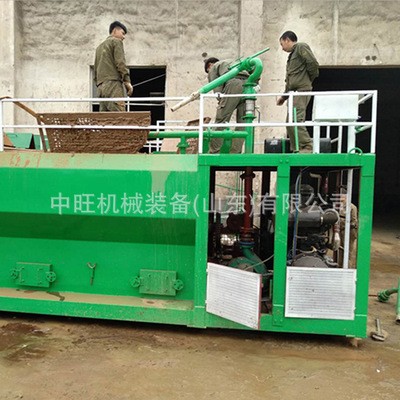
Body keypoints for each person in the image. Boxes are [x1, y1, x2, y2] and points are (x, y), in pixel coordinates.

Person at [276, 31, 319, 153]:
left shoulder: (301, 47)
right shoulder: (291, 56)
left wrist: (307, 80)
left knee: (296, 119)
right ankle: (297, 148)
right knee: (290, 122)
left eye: (282, 44)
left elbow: (313, 64)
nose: (282, 48)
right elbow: (290, 81)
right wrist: (283, 97)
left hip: (301, 91)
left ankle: (307, 146)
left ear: (287, 40)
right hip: (294, 92)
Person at [204, 57, 249, 154]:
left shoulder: (213, 67)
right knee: (243, 122)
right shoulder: (232, 62)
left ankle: (213, 152)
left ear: (209, 65)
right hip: (249, 84)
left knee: (221, 119)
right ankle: (236, 152)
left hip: (234, 83)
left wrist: (221, 101)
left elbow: (216, 85)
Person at [94, 21, 133, 112]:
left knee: (104, 118)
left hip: (100, 87)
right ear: (115, 30)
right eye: (123, 33)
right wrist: (127, 81)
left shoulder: (99, 48)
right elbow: (121, 63)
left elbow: (96, 69)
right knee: (119, 116)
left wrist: (99, 83)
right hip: (113, 85)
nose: (124, 37)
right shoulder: (116, 41)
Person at [338, 190, 358, 268]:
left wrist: (345, 225)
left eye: (341, 195)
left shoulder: (352, 207)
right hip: (341, 230)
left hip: (350, 231)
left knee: (348, 250)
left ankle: (348, 267)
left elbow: (354, 221)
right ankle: (340, 265)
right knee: (340, 249)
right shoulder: (339, 205)